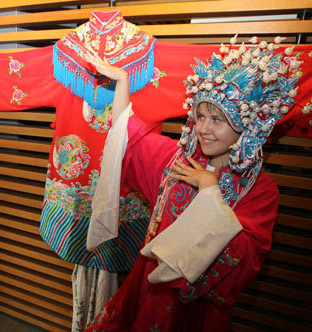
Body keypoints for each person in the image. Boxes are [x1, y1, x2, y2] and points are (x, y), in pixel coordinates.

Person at [82, 35, 303, 332]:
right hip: (147, 290)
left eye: (217, 120)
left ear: (246, 127)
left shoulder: (259, 190)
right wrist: (122, 82)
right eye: (200, 116)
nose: (203, 129)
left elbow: (245, 261)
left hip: (197, 312)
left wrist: (210, 191)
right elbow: (130, 139)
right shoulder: (176, 161)